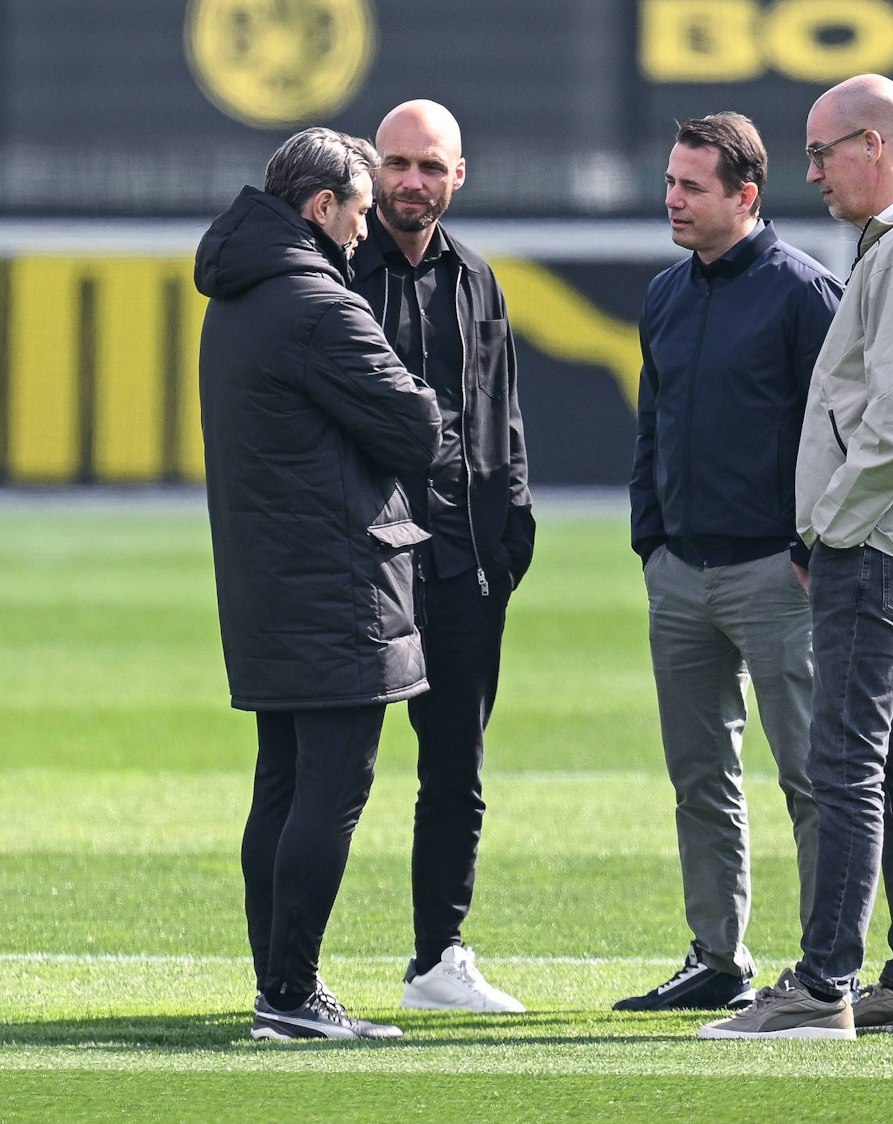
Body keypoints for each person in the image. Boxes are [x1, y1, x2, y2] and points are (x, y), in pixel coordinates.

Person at [701, 74, 893, 1040]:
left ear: (874, 145)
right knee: (891, 765)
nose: (811, 173)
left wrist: (828, 527)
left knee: (843, 767)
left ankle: (820, 983)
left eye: (822, 151)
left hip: (878, 545)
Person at [195, 127, 441, 1042]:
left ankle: (278, 988)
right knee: (330, 790)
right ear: (320, 206)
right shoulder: (318, 306)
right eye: (359, 211)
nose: (365, 230)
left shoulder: (239, 294)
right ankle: (292, 994)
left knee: (281, 785)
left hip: (267, 581)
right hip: (337, 583)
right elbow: (416, 429)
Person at [616, 112, 843, 1012]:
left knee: (813, 780)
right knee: (698, 779)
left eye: (691, 186)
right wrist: (651, 541)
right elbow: (651, 423)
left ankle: (829, 967)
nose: (672, 199)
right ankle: (717, 958)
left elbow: (843, 433)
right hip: (680, 574)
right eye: (669, 182)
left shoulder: (804, 293)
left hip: (776, 578)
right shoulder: (665, 293)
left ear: (745, 195)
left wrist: (808, 549)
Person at [347, 100, 534, 1013]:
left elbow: (499, 409)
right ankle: (292, 970)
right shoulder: (338, 269)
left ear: (458, 175)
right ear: (371, 170)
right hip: (363, 564)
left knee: (455, 771)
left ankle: (437, 960)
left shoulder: (475, 277)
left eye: (429, 166)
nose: (411, 181)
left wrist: (512, 525)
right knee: (334, 770)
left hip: (462, 567)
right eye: (396, 163)